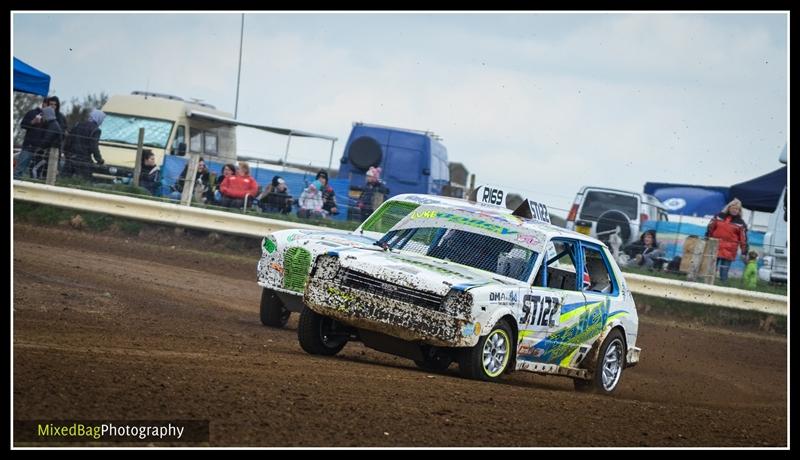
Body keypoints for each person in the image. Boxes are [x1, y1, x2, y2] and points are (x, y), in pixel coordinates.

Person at [706, 198, 748, 283]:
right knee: (711, 269)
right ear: (729, 207)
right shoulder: (718, 216)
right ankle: (707, 285)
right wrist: (707, 239)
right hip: (715, 246)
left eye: (737, 209)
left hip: (730, 250)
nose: (735, 210)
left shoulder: (741, 223)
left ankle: (723, 286)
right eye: (733, 208)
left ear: (739, 211)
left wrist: (744, 252)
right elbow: (710, 228)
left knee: (724, 271)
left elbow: (743, 239)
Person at [62, 108, 106, 180]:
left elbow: (69, 140)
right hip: (84, 160)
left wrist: (66, 154)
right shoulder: (96, 130)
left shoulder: (78, 125)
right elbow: (94, 146)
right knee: (84, 182)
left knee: (63, 181)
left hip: (71, 158)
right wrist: (99, 160)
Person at [14, 99, 49, 179]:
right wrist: (32, 122)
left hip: (41, 150)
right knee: (20, 168)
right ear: (43, 104)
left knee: (35, 172)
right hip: (29, 146)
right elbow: (23, 125)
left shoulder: (50, 118)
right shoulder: (32, 113)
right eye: (47, 104)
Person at [28, 106, 64, 180]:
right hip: (49, 155)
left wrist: (38, 149)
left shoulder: (52, 126)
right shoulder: (52, 124)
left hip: (48, 155)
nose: (42, 117)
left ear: (47, 115)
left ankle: (34, 183)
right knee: (43, 173)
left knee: (34, 169)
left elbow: (46, 140)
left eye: (43, 114)